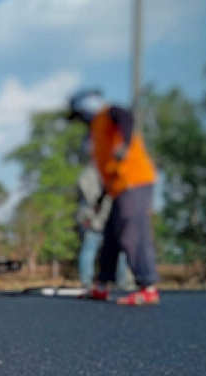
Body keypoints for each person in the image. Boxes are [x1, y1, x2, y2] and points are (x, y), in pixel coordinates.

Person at [68, 90, 160, 305]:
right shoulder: (96, 129)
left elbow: (126, 117)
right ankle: (102, 285)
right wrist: (101, 199)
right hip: (118, 187)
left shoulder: (108, 113)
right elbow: (108, 170)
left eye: (80, 115)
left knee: (131, 231)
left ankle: (148, 287)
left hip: (134, 181)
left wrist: (124, 146)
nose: (81, 121)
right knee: (111, 235)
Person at [75, 164, 131, 290]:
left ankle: (123, 283)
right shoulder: (88, 173)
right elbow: (89, 197)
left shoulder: (111, 171)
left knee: (120, 251)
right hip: (93, 219)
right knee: (90, 248)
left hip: (109, 219)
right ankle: (87, 282)